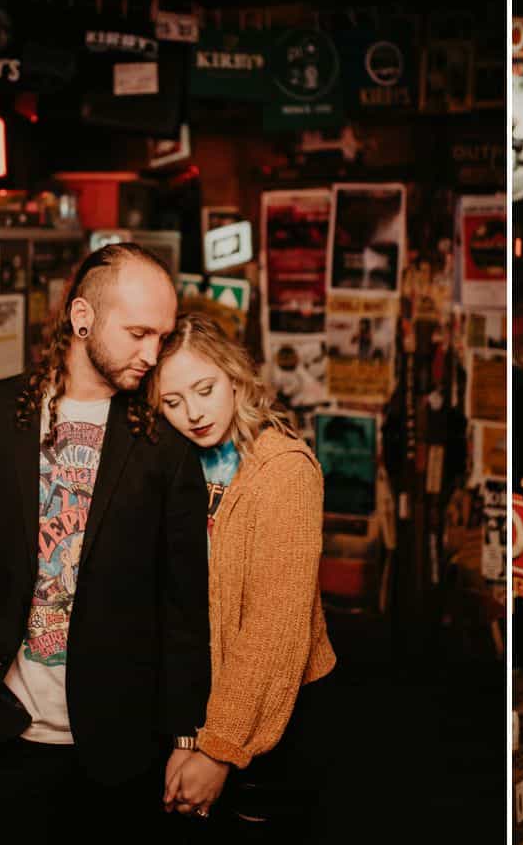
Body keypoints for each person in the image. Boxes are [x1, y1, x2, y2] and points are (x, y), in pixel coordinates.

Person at [0, 243, 210, 843]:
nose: (152, 355)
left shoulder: (164, 447)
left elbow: (183, 607)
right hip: (1, 736)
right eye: (138, 333)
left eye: (162, 338)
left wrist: (186, 736)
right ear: (82, 317)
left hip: (121, 750)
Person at [151, 313, 337, 840]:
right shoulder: (175, 464)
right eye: (172, 401)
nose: (193, 413)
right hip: (200, 706)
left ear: (235, 378)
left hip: (278, 709)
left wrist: (218, 750)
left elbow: (273, 628)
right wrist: (186, 735)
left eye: (205, 390)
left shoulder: (284, 471)